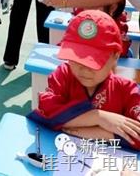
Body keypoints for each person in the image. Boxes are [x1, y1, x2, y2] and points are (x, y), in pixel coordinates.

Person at [27, 10, 140, 149]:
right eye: (77, 58)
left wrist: (103, 135)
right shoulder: (63, 74)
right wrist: (98, 117)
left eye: (94, 60)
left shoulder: (127, 90)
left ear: (116, 56)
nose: (84, 69)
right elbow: (46, 111)